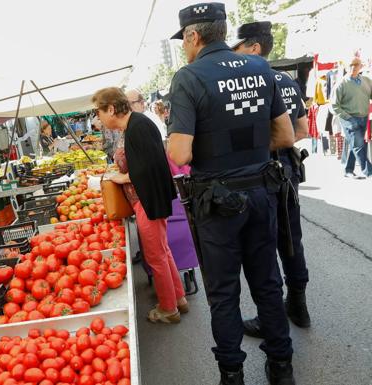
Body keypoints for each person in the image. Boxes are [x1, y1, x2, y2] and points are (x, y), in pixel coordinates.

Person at [166, 3, 296, 384]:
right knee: (268, 283)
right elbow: (286, 136)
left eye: (184, 41)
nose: (184, 49)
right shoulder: (261, 68)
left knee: (223, 294)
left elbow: (180, 154)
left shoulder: (189, 77)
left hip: (218, 203)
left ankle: (232, 373)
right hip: (261, 191)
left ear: (194, 35)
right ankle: (281, 366)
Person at [231, 21, 312, 338]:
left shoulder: (250, 83)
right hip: (289, 171)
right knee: (291, 240)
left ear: (253, 48)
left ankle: (272, 317)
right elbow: (301, 132)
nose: (233, 56)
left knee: (263, 246)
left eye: (237, 49)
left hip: (262, 174)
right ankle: (299, 306)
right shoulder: (288, 81)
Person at [91, 87, 188, 323]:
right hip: (148, 200)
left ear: (111, 109)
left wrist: (120, 178)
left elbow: (146, 167)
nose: (98, 118)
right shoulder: (135, 124)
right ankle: (178, 299)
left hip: (148, 201)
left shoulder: (138, 126)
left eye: (99, 112)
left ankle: (168, 309)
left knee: (156, 256)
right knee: (162, 252)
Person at [331, 56, 372, 178]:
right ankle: (369, 172)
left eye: (356, 64)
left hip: (363, 117)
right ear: (346, 66)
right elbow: (334, 106)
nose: (353, 67)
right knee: (359, 145)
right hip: (349, 118)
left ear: (361, 66)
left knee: (356, 144)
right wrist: (348, 118)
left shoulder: (366, 81)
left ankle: (348, 170)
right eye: (351, 65)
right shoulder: (341, 84)